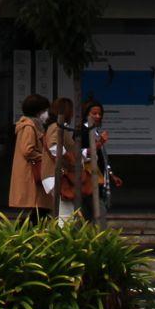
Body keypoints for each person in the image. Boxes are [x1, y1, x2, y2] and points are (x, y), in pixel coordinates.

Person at [7, 93, 54, 220]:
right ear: (38, 111)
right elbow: (28, 150)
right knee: (40, 208)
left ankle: (23, 233)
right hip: (31, 173)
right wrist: (44, 158)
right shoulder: (29, 126)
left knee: (41, 209)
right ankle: (19, 233)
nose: (46, 113)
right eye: (44, 110)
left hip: (32, 171)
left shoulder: (32, 125)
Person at [78, 100, 117, 222]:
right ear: (86, 114)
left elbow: (102, 158)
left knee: (90, 213)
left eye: (99, 114)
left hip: (97, 176)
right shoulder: (82, 131)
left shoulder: (94, 131)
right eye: (94, 113)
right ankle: (100, 237)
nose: (97, 116)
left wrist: (111, 175)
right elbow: (81, 153)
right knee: (98, 211)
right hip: (87, 177)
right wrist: (100, 143)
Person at [50, 96, 85, 224]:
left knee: (66, 211)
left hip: (60, 173)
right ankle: (62, 240)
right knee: (65, 213)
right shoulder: (57, 127)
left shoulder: (59, 127)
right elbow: (53, 147)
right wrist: (70, 158)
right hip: (58, 174)